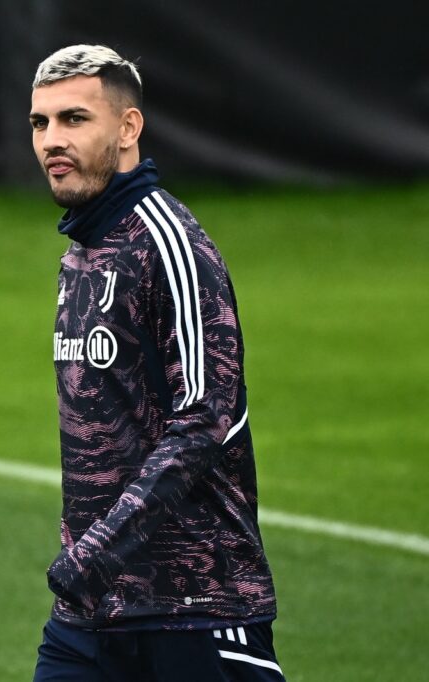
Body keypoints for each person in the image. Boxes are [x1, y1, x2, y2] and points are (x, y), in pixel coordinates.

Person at [28, 45, 285, 680]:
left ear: (128, 128)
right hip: (90, 616)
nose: (52, 140)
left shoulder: (171, 247)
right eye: (40, 123)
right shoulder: (82, 250)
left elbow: (204, 420)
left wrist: (96, 550)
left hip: (194, 610)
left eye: (74, 119)